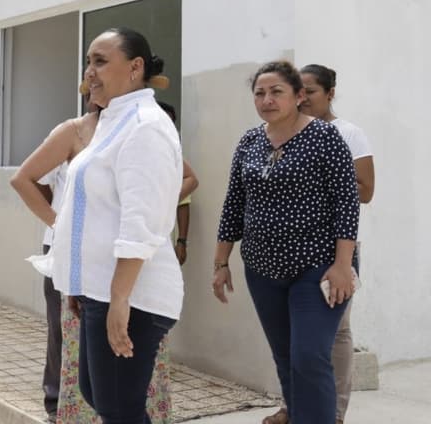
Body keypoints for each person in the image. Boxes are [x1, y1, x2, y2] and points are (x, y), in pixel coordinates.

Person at [213, 60, 359, 424]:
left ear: (298, 96)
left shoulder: (325, 138)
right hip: (262, 269)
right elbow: (234, 203)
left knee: (310, 356)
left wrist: (343, 265)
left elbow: (346, 203)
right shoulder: (249, 141)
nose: (267, 100)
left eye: (276, 92)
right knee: (285, 356)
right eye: (260, 93)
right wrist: (221, 262)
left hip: (318, 267)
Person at [51, 28, 184, 424]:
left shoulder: (145, 126)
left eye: (100, 61)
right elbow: (92, 212)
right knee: (101, 396)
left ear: (135, 67)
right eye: (88, 62)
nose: (89, 72)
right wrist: (79, 284)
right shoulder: (114, 121)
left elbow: (140, 223)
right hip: (101, 290)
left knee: (118, 407)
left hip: (132, 294)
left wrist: (119, 298)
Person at [253, 64, 375, 424]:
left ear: (329, 93)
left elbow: (363, 191)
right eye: (300, 90)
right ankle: (296, 408)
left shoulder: (344, 134)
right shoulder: (269, 136)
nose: (303, 98)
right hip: (280, 258)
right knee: (295, 346)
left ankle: (332, 412)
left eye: (310, 91)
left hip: (333, 252)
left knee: (327, 340)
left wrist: (317, 183)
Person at [9, 96, 100, 421]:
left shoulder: (129, 130)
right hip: (63, 248)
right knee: (62, 328)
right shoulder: (70, 132)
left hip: (104, 251)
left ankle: (96, 405)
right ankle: (56, 402)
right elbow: (31, 181)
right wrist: (60, 223)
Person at [158, 102, 199, 267]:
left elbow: (184, 201)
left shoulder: (172, 156)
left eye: (170, 124)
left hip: (162, 242)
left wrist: (181, 241)